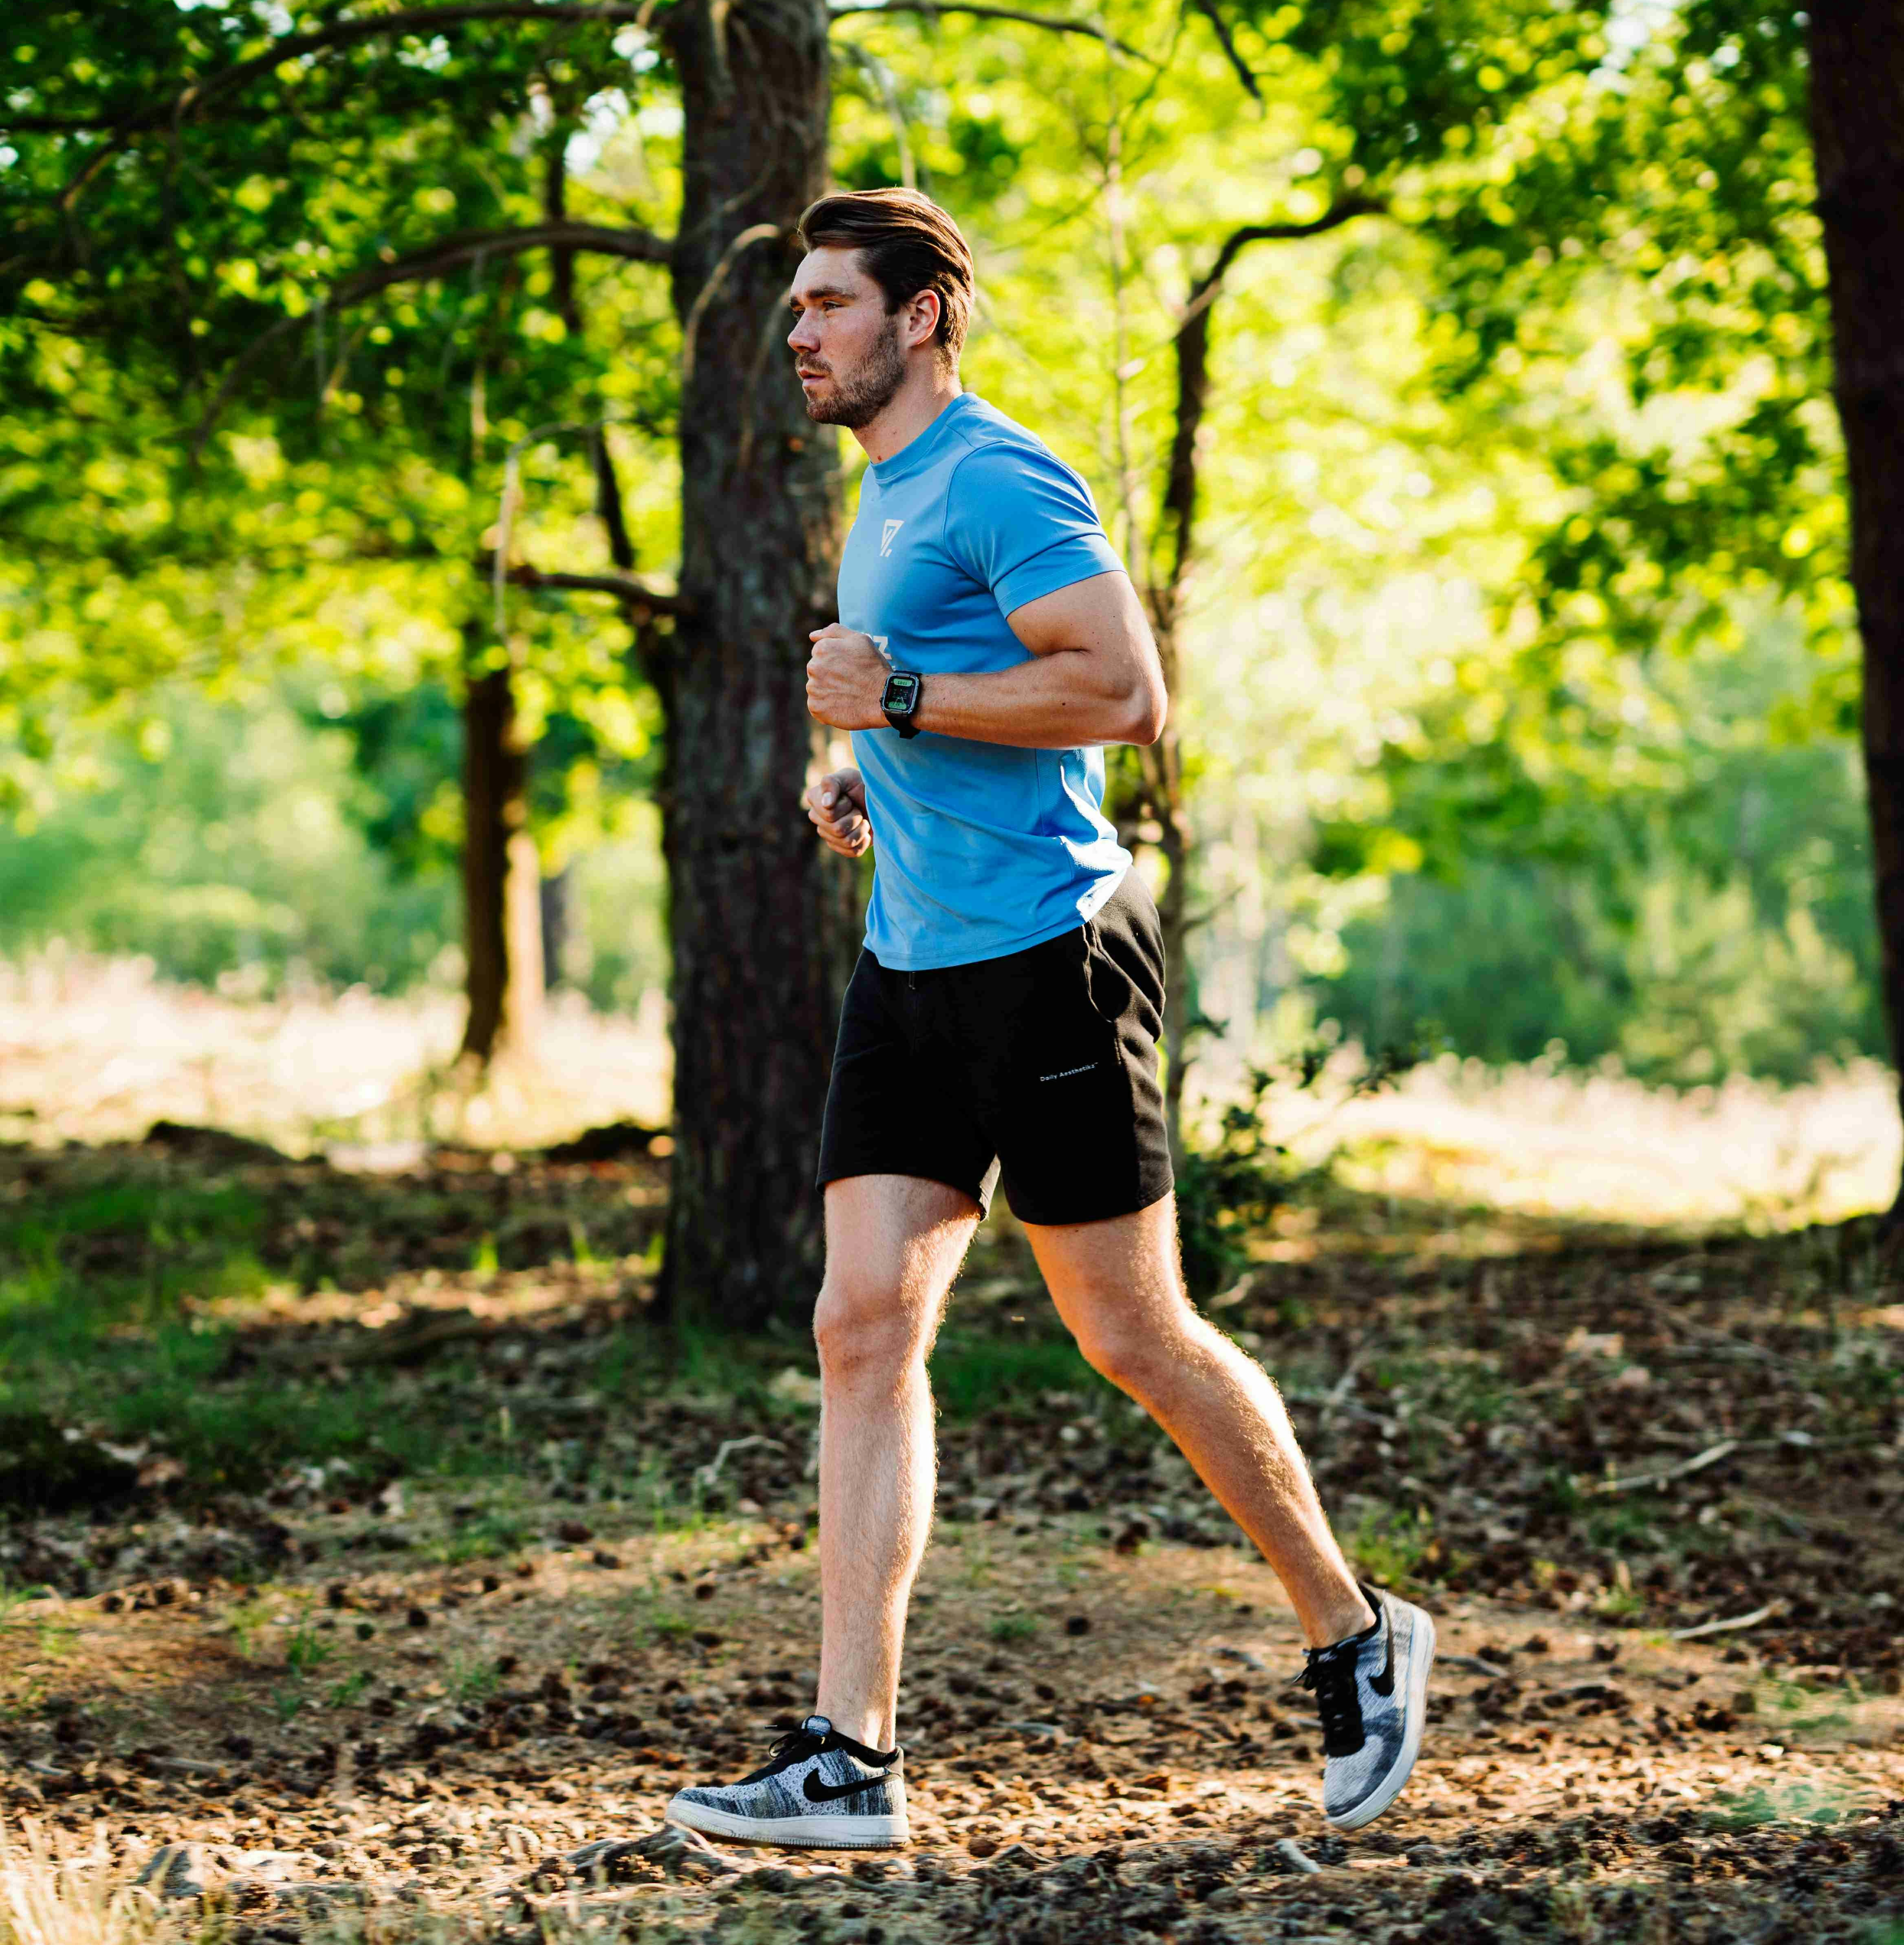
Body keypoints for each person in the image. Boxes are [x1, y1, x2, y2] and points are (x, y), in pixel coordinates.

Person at [665, 187, 1432, 1852]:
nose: (796, 332)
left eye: (826, 305)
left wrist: (910, 701)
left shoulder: (1002, 473)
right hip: (912, 960)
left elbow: (1124, 694)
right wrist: (865, 766)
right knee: (860, 1320)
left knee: (1130, 1335)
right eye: (794, 308)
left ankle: (1354, 1632)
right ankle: (846, 1759)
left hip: (1051, 961)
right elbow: (933, 696)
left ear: (920, 316)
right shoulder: (881, 491)